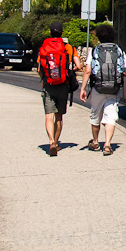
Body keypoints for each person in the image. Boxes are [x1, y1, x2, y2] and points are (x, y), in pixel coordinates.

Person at [79, 24, 126, 156]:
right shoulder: (118, 50)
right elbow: (123, 70)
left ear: (99, 36)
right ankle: (107, 145)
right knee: (110, 117)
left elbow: (88, 70)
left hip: (97, 88)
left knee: (96, 114)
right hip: (113, 88)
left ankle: (95, 141)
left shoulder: (94, 50)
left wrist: (83, 88)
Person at [38, 21, 80, 156]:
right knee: (59, 116)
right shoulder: (68, 47)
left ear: (50, 32)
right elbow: (78, 66)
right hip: (63, 85)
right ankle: (56, 143)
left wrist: (44, 78)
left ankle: (50, 141)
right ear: (62, 33)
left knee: (48, 116)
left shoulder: (44, 47)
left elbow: (40, 69)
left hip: (48, 85)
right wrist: (70, 71)